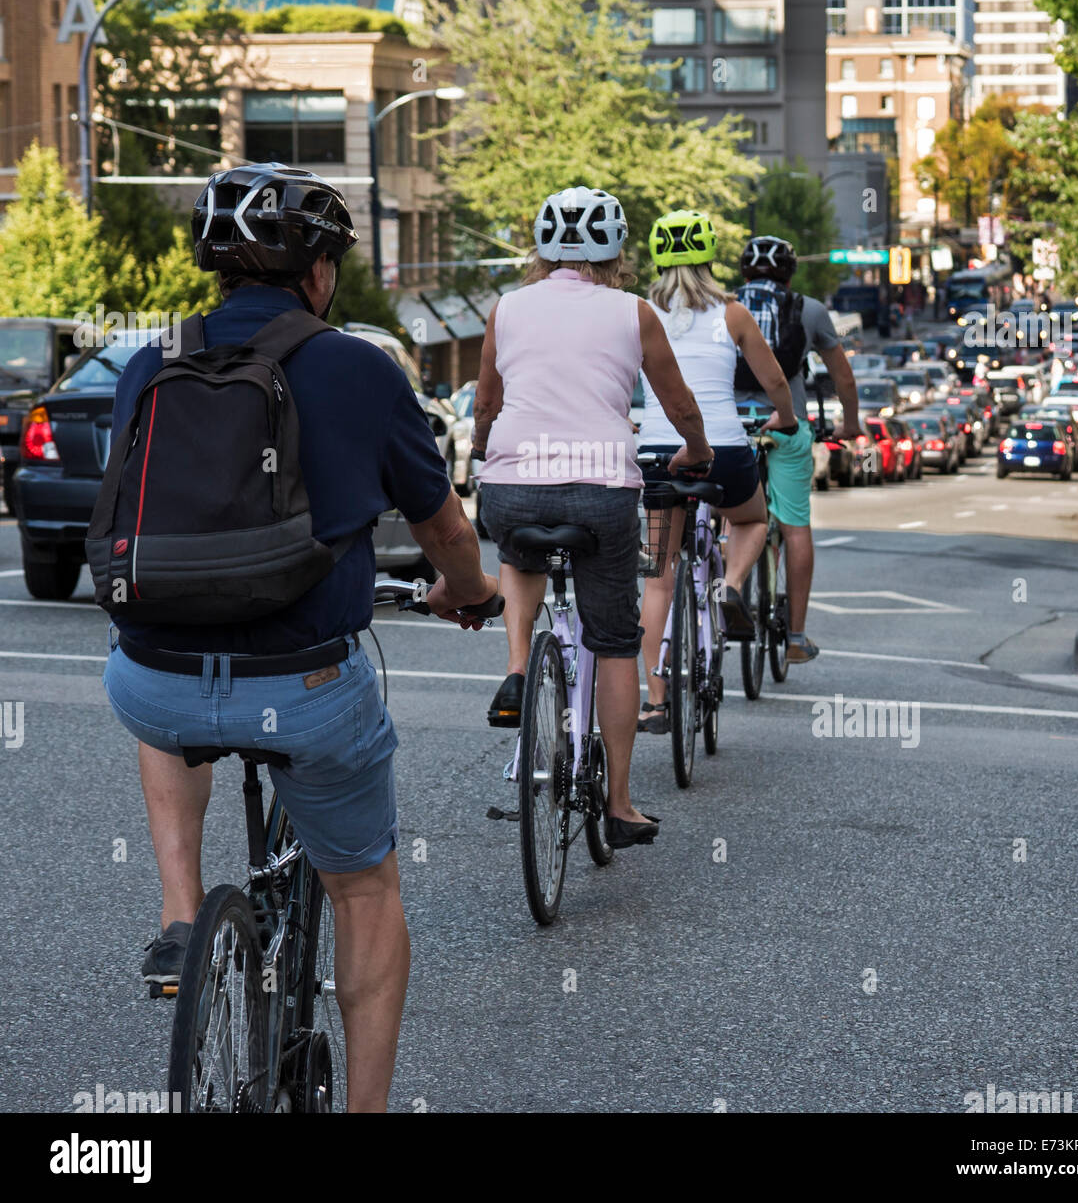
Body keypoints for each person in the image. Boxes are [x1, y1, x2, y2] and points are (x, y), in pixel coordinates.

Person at [101, 163, 498, 1113]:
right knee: (364, 890)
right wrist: (470, 593)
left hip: (150, 674)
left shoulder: (150, 361)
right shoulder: (358, 366)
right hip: (306, 686)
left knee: (163, 678)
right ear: (317, 270)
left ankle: (181, 911)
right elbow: (442, 523)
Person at [472, 186, 713, 849]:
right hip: (601, 491)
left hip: (513, 485)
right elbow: (678, 402)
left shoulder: (506, 308)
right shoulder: (634, 312)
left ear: (540, 249)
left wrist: (479, 451)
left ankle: (520, 667)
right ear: (616, 253)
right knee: (611, 641)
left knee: (517, 553)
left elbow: (487, 401)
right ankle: (620, 803)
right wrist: (695, 450)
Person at [635, 210, 797, 733]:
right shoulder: (733, 313)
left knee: (658, 579)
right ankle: (729, 584)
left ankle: (657, 701)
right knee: (752, 521)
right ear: (709, 259)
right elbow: (773, 379)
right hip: (721, 450)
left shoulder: (639, 313)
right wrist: (787, 419)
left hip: (659, 452)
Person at [735, 235, 859, 663]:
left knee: (724, 515)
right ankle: (796, 637)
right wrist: (852, 422)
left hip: (734, 427)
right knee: (794, 526)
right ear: (790, 274)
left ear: (744, 272)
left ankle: (716, 592)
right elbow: (842, 375)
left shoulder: (724, 307)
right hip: (787, 427)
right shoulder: (810, 310)